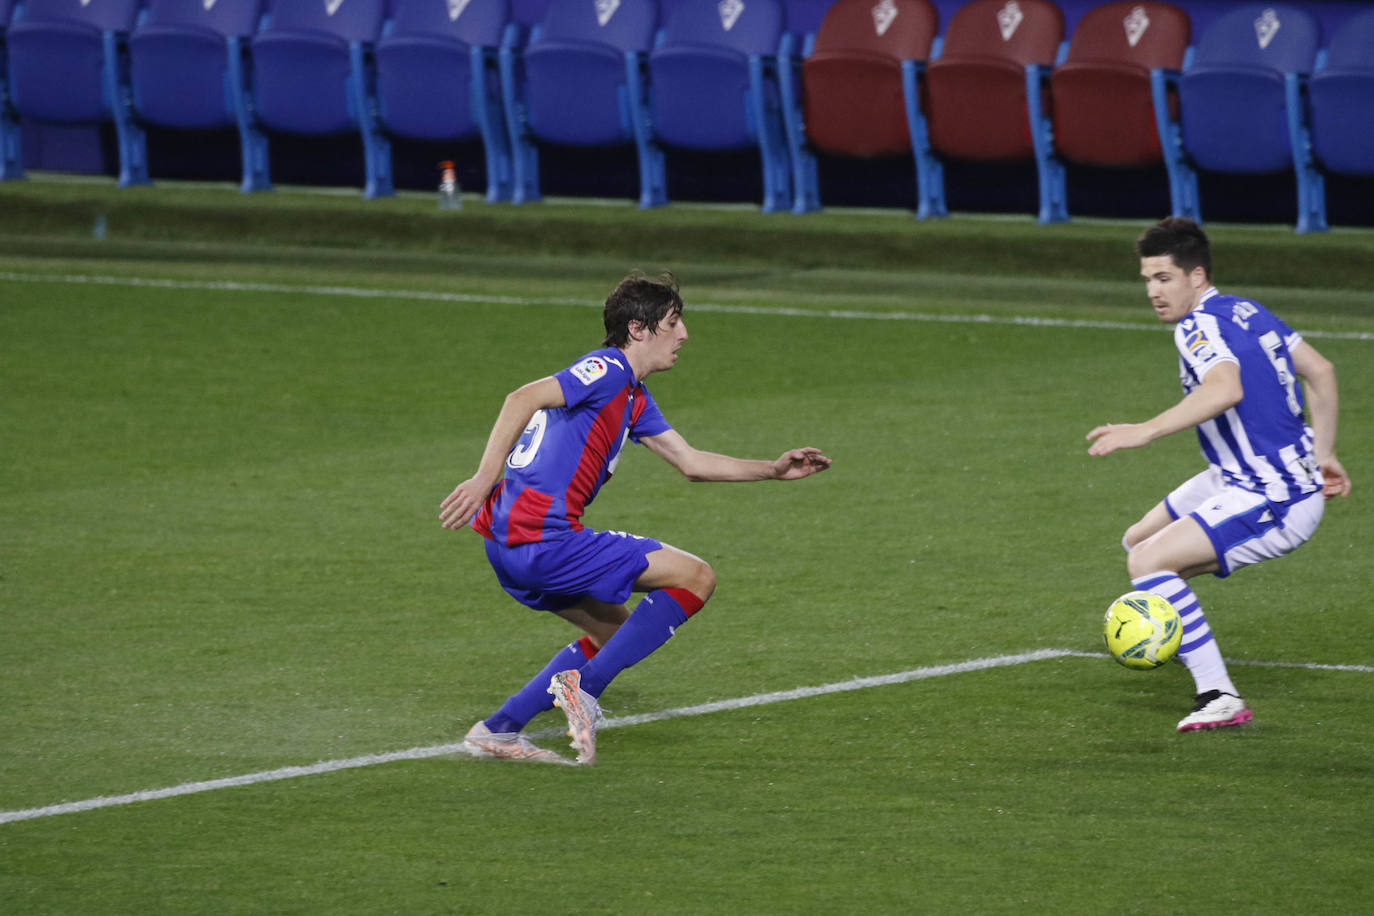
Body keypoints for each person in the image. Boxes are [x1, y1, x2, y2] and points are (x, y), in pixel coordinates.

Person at [439, 271, 831, 764]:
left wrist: (771, 471)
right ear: (639, 330)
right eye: (673, 322)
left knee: (614, 637)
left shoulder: (633, 396)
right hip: (543, 537)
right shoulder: (606, 369)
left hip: (508, 544)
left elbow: (691, 463)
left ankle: (498, 730)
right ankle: (581, 692)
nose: (684, 334)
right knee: (696, 577)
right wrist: (482, 478)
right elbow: (521, 397)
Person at [1086, 217, 1350, 732]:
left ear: (1196, 275)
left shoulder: (1197, 325)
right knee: (1138, 542)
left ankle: (1219, 694)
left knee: (1150, 562)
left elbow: (1224, 388)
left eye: (1164, 279)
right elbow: (1321, 370)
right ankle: (1179, 637)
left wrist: (1145, 430)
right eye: (1146, 280)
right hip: (1244, 475)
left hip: (1275, 493)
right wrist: (1325, 452)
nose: (1153, 292)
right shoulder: (1244, 308)